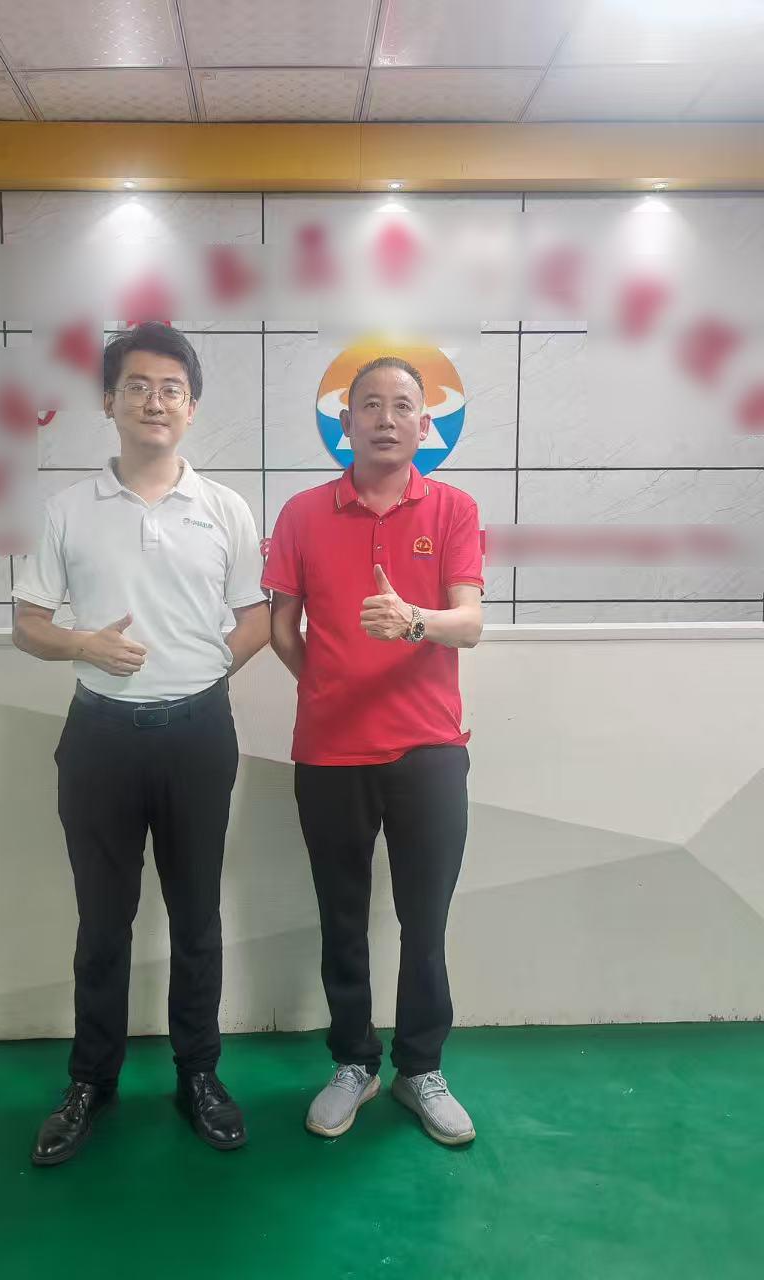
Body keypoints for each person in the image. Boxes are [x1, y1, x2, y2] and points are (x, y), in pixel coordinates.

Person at [12, 322, 269, 1165]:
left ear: (191, 409)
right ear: (108, 401)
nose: (154, 401)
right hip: (100, 738)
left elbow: (258, 615)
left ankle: (200, 1075)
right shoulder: (67, 510)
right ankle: (92, 1080)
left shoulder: (225, 509)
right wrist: (84, 644)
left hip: (198, 735)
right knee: (103, 921)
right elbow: (28, 623)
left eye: (171, 389)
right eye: (137, 386)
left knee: (197, 917)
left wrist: (205, 671)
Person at [262, 355, 483, 1146]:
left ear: (426, 424)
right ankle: (354, 1061)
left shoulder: (453, 508)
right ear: (345, 422)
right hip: (330, 753)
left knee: (426, 923)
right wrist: (328, 683)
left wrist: (413, 621)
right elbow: (282, 627)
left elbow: (470, 622)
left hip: (429, 751)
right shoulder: (301, 514)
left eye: (403, 406)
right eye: (370, 405)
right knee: (342, 917)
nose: (386, 418)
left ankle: (420, 1068)